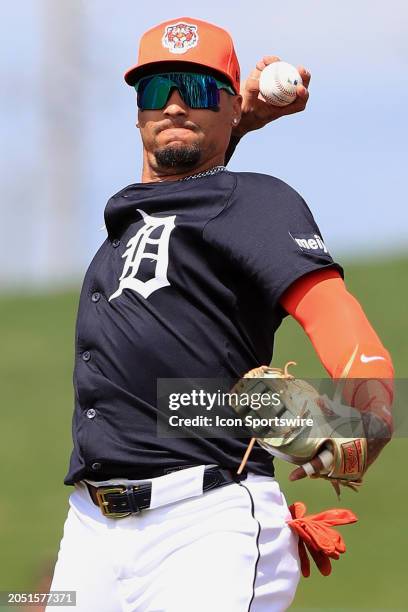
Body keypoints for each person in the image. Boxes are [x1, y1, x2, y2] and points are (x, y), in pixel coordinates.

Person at [47, 17, 394, 612]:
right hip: (90, 531)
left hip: (205, 523)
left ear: (232, 105)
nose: (176, 105)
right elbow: (181, 191)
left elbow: (335, 314)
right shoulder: (136, 216)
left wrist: (373, 414)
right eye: (159, 91)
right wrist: (234, 119)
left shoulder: (255, 200)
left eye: (200, 89)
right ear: (137, 112)